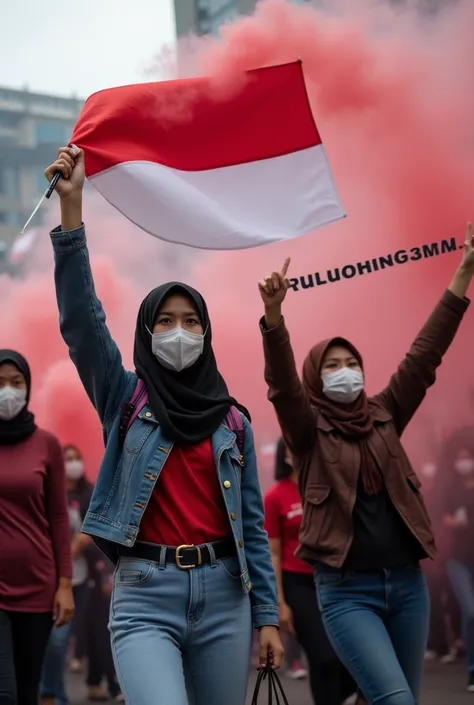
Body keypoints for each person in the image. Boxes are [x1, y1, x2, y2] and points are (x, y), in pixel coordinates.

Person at [44, 146, 283, 705]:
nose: (180, 331)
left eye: (191, 321)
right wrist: (73, 210)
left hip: (227, 598)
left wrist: (267, 617)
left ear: (207, 333)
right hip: (145, 596)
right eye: (167, 322)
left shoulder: (233, 422)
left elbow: (251, 528)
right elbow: (82, 322)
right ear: (147, 333)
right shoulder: (124, 395)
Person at [258, 224, 474, 705]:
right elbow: (282, 387)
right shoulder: (307, 431)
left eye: (351, 362)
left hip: (407, 586)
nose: (344, 372)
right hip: (346, 592)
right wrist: (274, 319)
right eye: (331, 366)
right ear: (316, 378)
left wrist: (462, 276)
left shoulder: (385, 412)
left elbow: (424, 355)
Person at [0, 350, 74, 705]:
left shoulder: (47, 444)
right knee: (6, 693)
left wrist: (64, 585)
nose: (8, 391)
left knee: (29, 691)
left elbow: (59, 518)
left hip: (37, 587)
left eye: (16, 382)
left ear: (28, 388)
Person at [265, 437, 357, 705]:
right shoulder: (275, 496)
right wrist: (279, 602)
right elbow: (273, 552)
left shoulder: (330, 489)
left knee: (345, 656)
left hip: (335, 580)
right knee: (323, 656)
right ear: (285, 455)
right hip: (298, 585)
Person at [41, 445, 94, 705]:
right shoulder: (49, 490)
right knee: (54, 642)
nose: (73, 463)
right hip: (48, 580)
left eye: (76, 458)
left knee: (62, 640)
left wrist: (69, 552)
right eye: (67, 459)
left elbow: (90, 530)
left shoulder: (89, 492)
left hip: (80, 578)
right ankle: (52, 693)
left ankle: (52, 693)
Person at [442, 433, 474, 691]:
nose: (464, 462)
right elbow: (443, 518)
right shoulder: (451, 488)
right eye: (460, 458)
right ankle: (473, 670)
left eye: (468, 457)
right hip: (457, 560)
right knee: (471, 610)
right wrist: (456, 522)